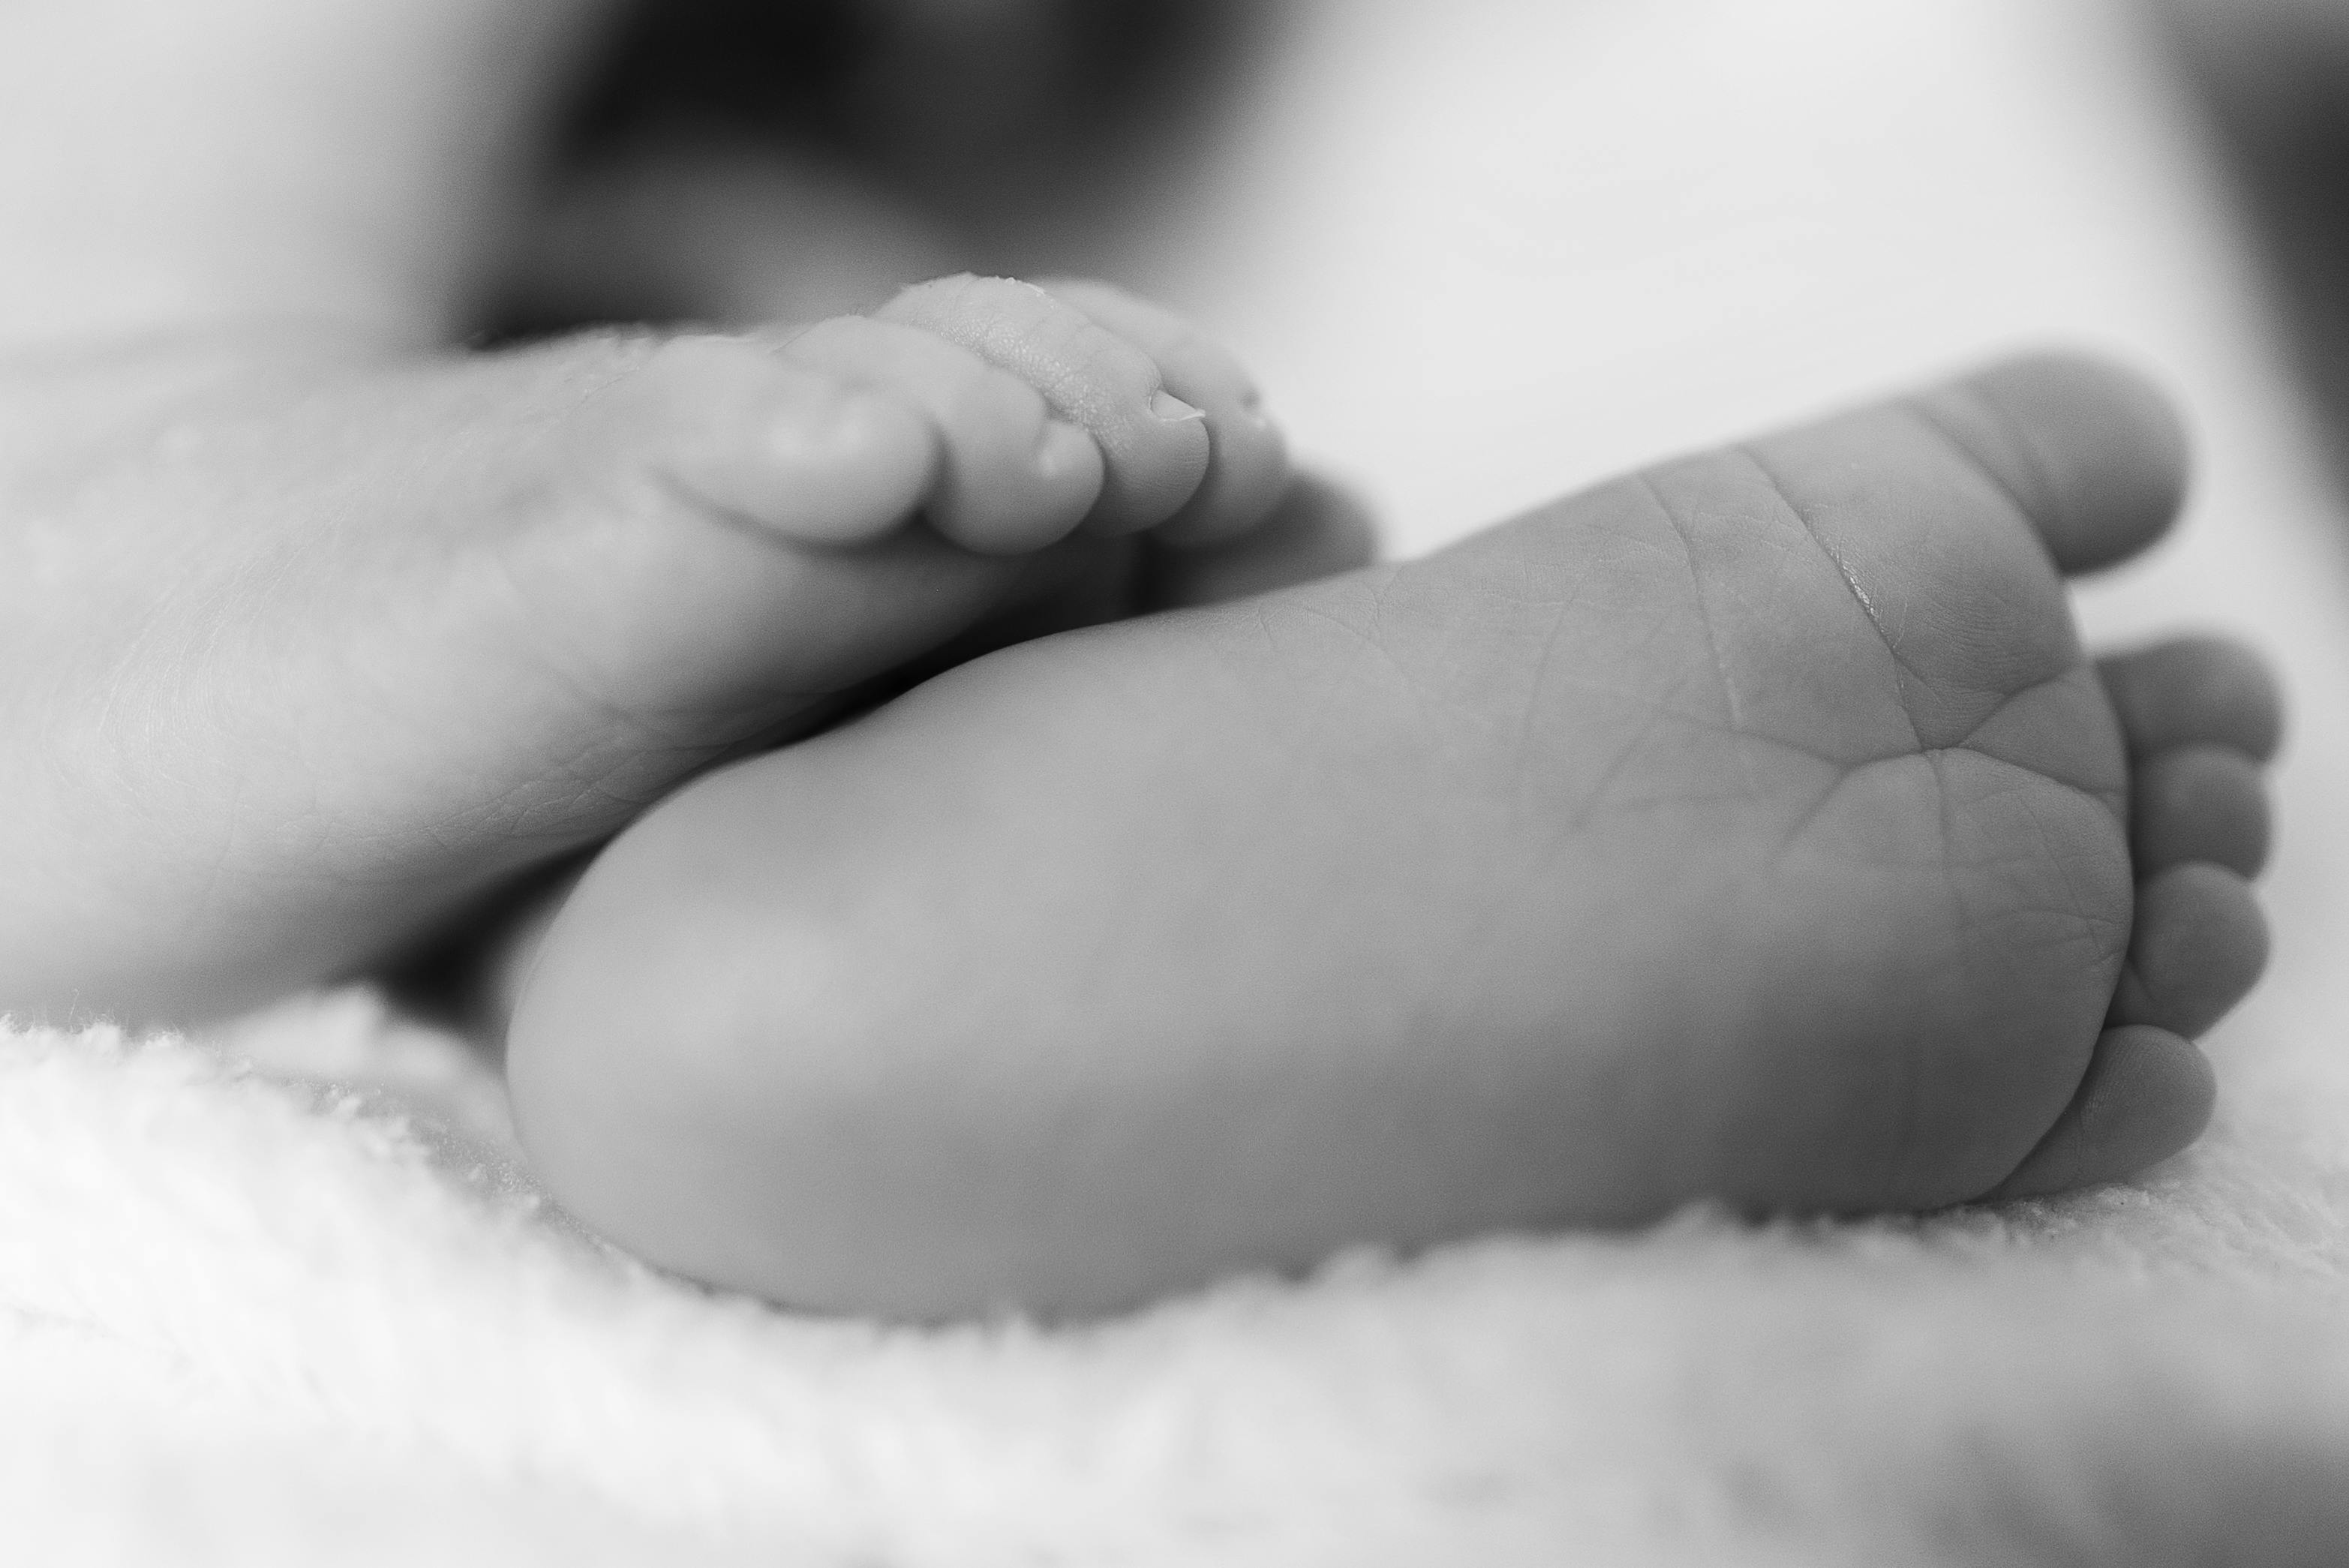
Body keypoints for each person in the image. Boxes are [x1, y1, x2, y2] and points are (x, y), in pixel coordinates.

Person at [0, 0, 2281, 1318]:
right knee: (752, 458)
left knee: (737, 458)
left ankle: (130, 411)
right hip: (780, 172)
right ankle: (705, 906)